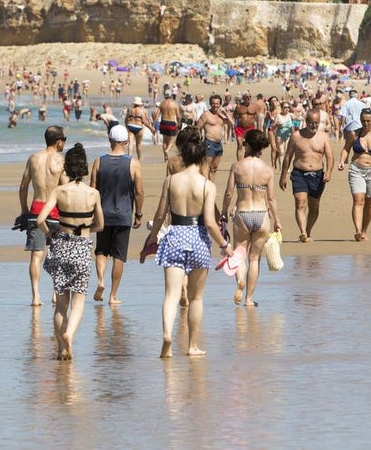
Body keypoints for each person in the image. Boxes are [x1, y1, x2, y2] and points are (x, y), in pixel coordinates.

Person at [141, 126, 231, 359]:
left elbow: (161, 214)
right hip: (198, 239)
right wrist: (224, 245)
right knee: (196, 298)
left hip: (175, 236)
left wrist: (151, 240)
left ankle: (167, 335)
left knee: (171, 294)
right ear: (202, 158)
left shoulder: (171, 181)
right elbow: (210, 223)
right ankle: (192, 346)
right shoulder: (207, 185)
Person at [36, 143, 104, 361]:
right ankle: (69, 335)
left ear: (67, 167)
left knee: (61, 303)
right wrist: (85, 228)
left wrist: (50, 235)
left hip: (61, 246)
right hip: (82, 246)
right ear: (84, 168)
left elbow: (40, 220)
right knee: (79, 301)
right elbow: (100, 225)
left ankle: (60, 348)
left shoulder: (59, 191)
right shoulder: (93, 193)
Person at [222, 130, 281, 307]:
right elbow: (271, 198)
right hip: (262, 215)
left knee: (240, 253)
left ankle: (240, 279)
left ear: (247, 144)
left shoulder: (237, 166)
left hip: (243, 213)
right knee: (254, 259)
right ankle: (248, 299)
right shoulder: (267, 169)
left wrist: (224, 212)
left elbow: (229, 192)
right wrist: (277, 220)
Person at [90, 124, 144, 305]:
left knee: (101, 250)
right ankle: (113, 295)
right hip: (123, 215)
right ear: (127, 141)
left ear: (110, 140)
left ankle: (100, 281)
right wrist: (139, 214)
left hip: (102, 213)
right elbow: (139, 192)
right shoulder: (133, 163)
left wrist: (91, 212)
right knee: (119, 256)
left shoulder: (99, 161)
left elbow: (92, 189)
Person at [17, 126, 67, 306]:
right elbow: (64, 187)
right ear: (59, 141)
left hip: (36, 209)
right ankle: (55, 293)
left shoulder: (33, 158)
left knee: (36, 256)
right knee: (57, 254)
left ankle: (36, 296)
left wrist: (24, 210)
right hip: (54, 211)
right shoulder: (60, 161)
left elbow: (23, 186)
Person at [279, 108, 335, 242]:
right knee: (300, 203)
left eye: (316, 123)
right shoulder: (296, 136)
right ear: (306, 121)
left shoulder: (323, 137)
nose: (314, 126)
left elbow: (330, 157)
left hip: (317, 175)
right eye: (311, 122)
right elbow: (288, 156)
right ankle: (303, 232)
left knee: (314, 207)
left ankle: (308, 231)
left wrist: (328, 172)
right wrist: (283, 176)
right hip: (299, 173)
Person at [337, 109, 371, 242]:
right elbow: (346, 148)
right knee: (358, 200)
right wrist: (341, 161)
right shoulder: (354, 134)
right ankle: (357, 231)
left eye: (368, 121)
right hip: (356, 170)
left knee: (370, 202)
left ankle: (364, 231)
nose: (366, 123)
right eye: (363, 121)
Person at [196, 94, 230, 180]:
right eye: (213, 103)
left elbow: (232, 124)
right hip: (209, 143)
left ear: (220, 104)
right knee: (206, 168)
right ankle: (204, 188)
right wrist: (199, 140)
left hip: (219, 144)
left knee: (214, 168)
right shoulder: (206, 115)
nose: (215, 105)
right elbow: (197, 128)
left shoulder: (221, 116)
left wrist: (226, 113)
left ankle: (211, 186)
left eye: (217, 103)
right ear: (210, 104)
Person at [123, 97, 155, 162]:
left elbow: (126, 119)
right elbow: (144, 121)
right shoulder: (142, 110)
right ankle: (139, 159)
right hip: (139, 127)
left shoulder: (130, 109)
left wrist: (126, 126)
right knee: (138, 144)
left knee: (130, 143)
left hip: (130, 125)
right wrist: (151, 128)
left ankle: (129, 158)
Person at [156, 91, 182, 161]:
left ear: (165, 95)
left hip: (163, 122)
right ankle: (167, 150)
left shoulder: (162, 104)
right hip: (171, 123)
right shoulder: (174, 104)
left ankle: (165, 158)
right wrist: (179, 123)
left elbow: (157, 115)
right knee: (172, 140)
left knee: (165, 140)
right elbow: (178, 116)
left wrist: (153, 124)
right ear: (171, 95)